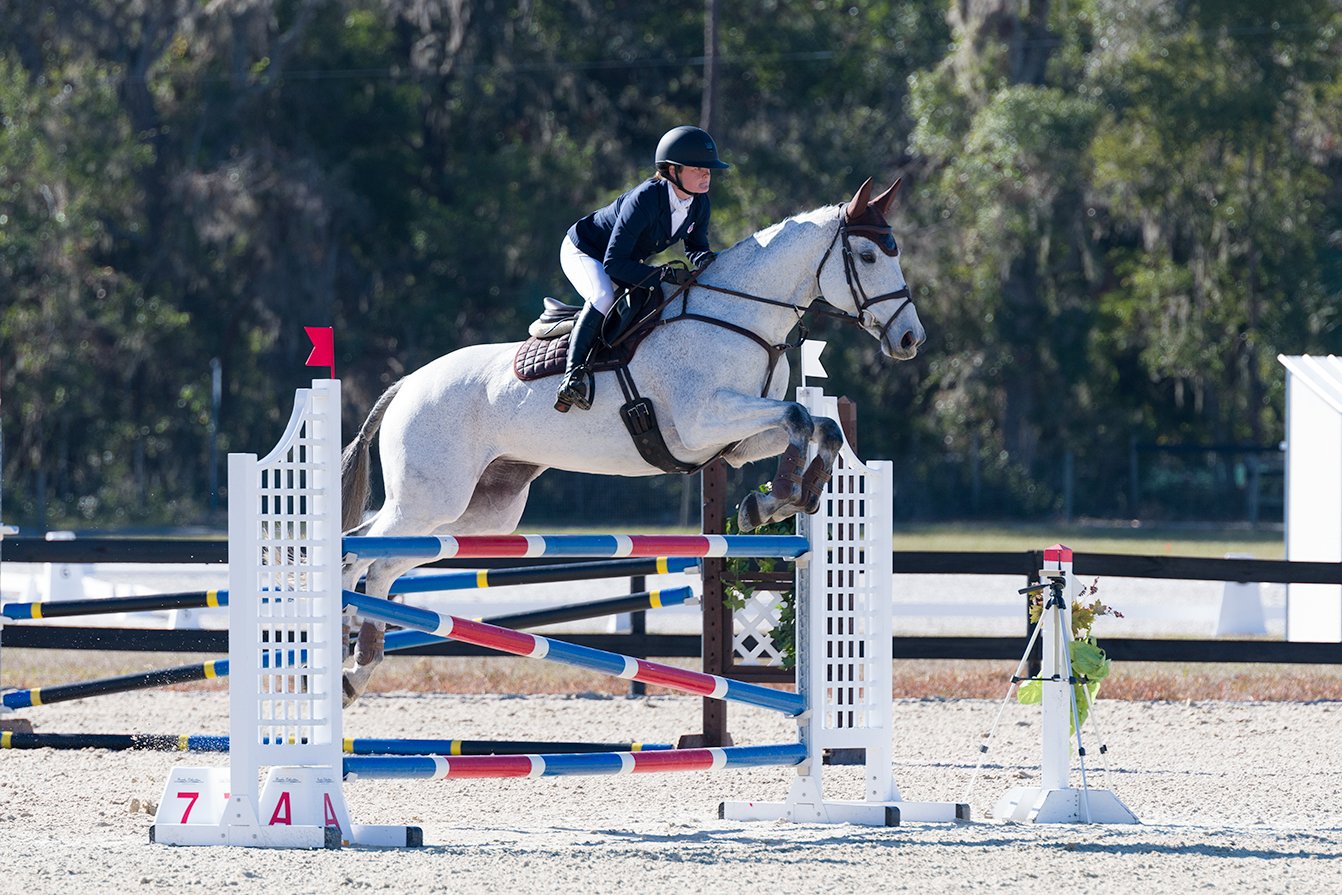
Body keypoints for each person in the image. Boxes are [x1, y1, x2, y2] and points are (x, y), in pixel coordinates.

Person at [554, 125, 730, 412]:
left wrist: (708, 263)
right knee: (602, 296)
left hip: (623, 260)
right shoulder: (645, 199)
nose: (706, 174)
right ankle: (573, 376)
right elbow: (613, 264)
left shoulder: (700, 203)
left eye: (709, 169)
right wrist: (660, 274)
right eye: (698, 168)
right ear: (672, 170)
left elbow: (695, 247)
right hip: (585, 250)